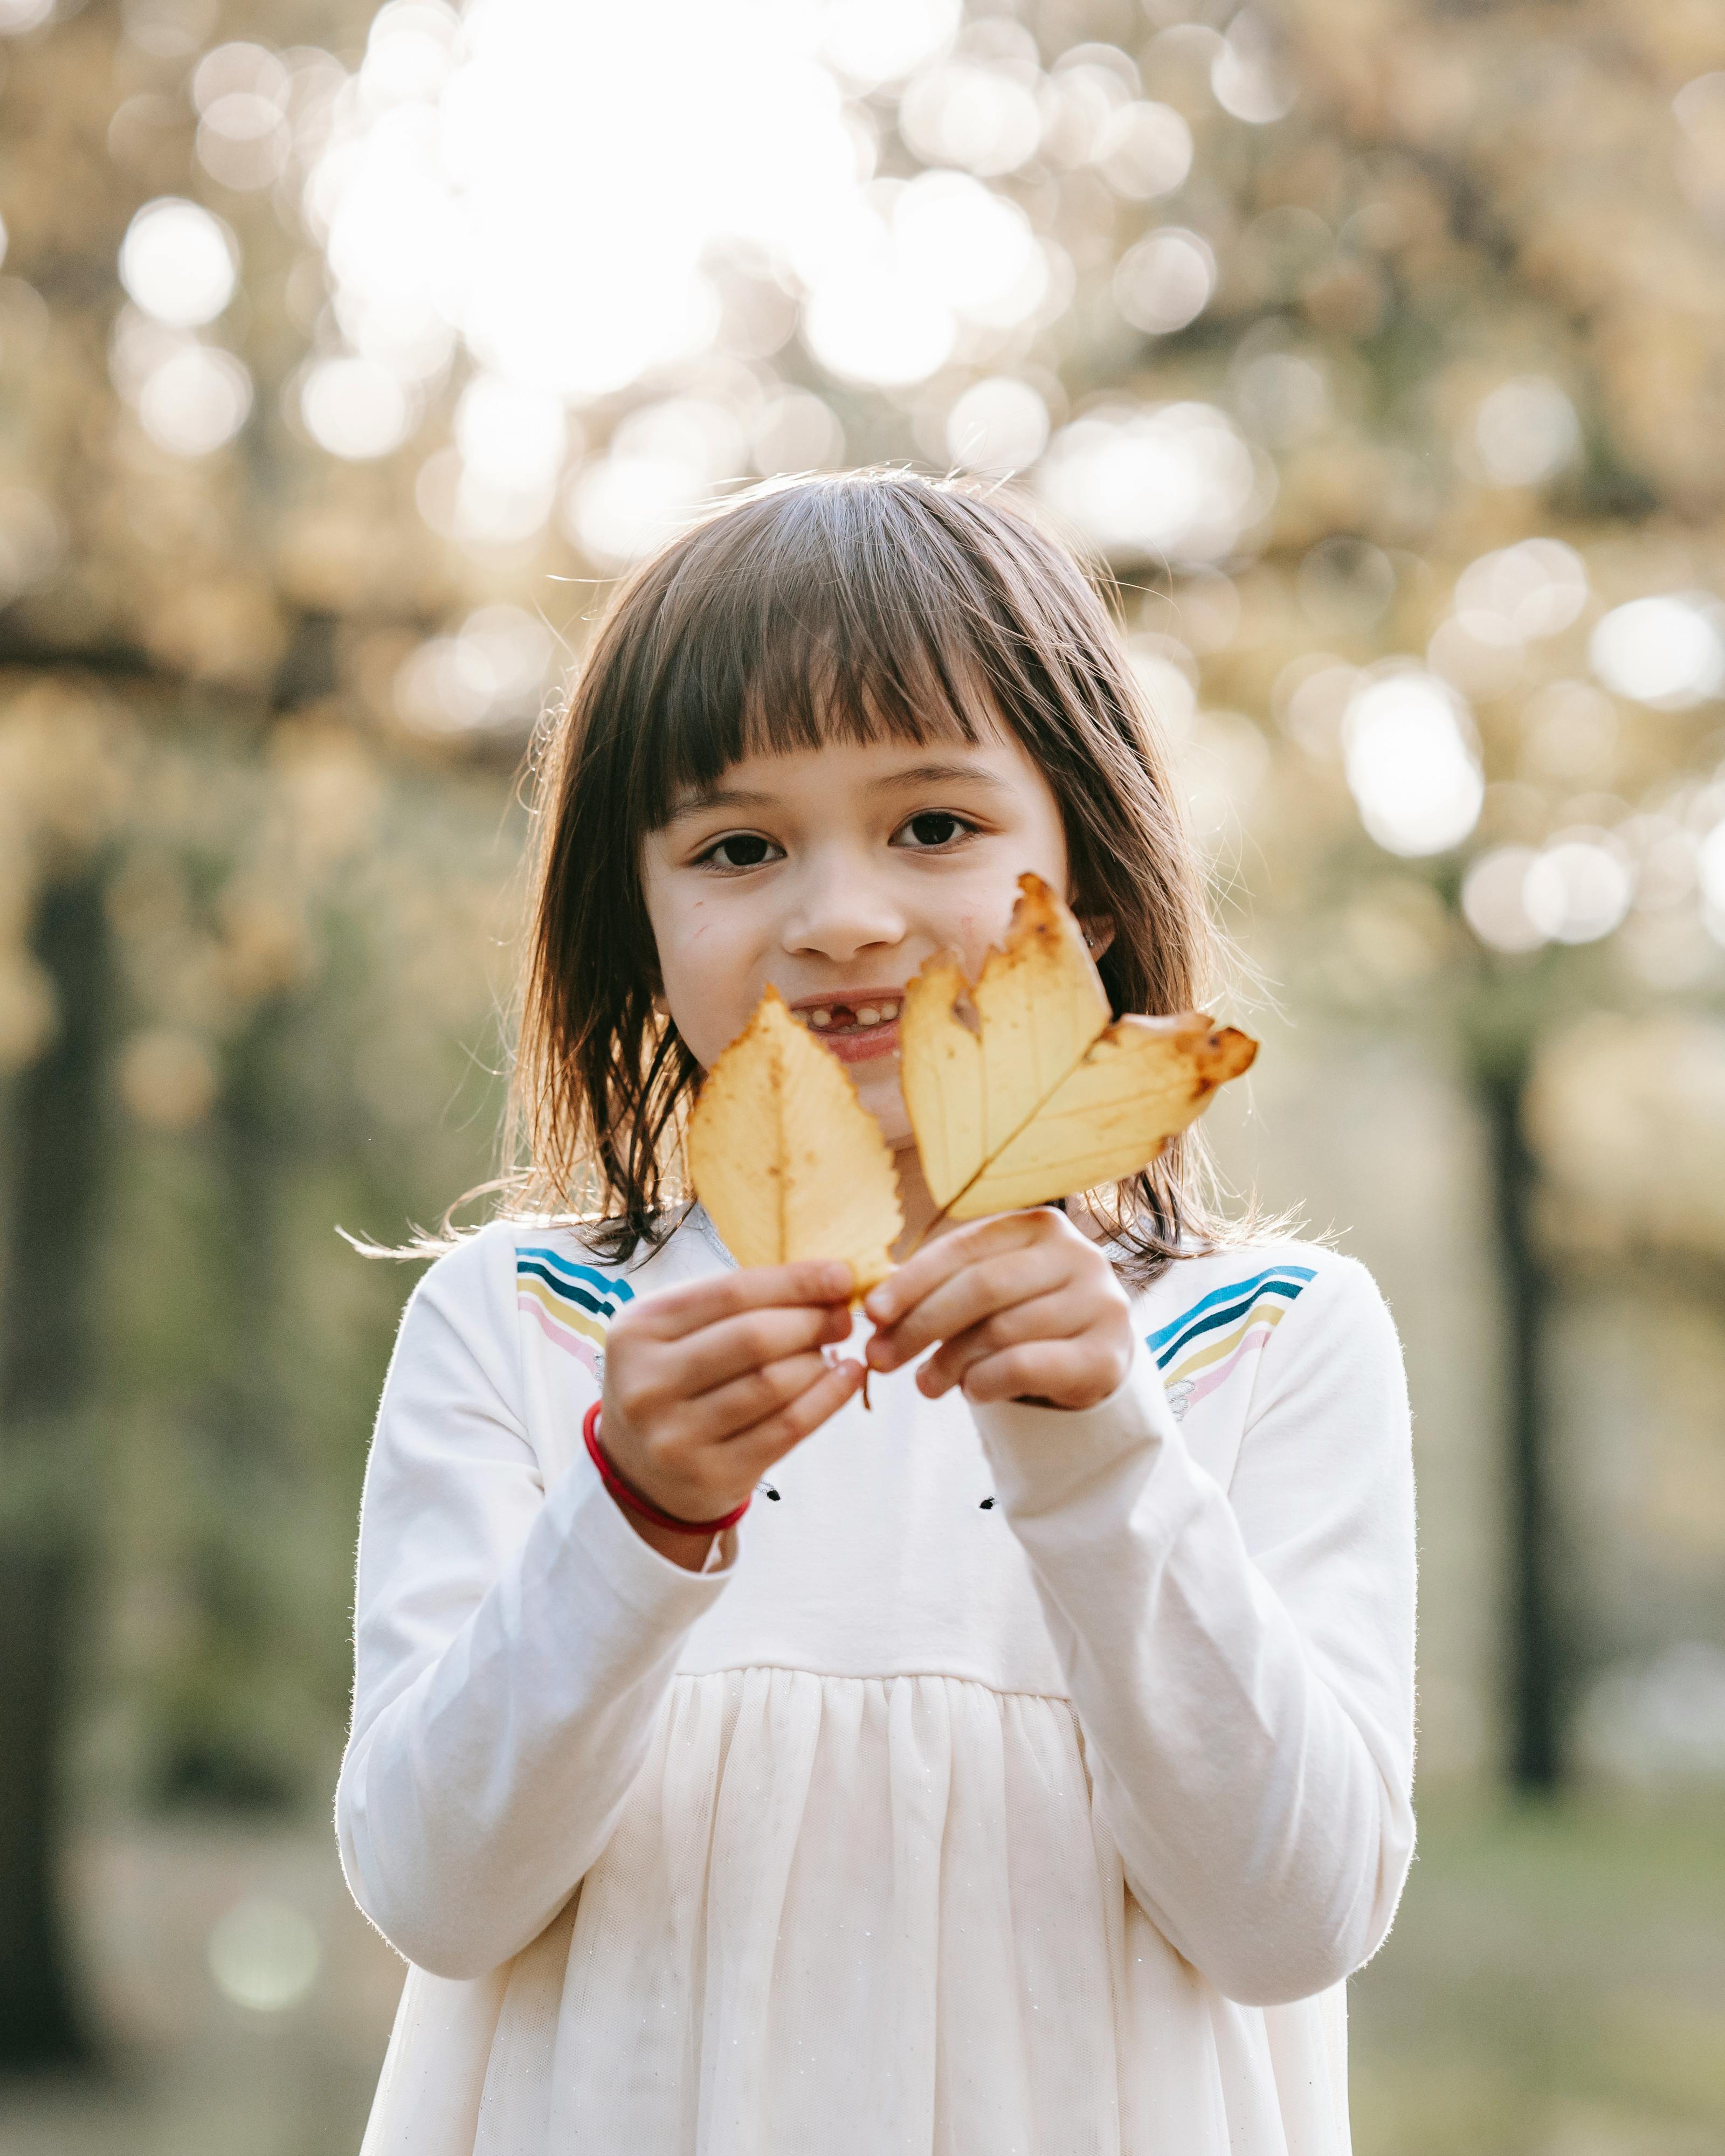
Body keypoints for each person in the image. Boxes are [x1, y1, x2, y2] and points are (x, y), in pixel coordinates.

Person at [337, 473, 1417, 2154]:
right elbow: (434, 1896)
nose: (838, 912)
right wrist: (631, 1521)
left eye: (934, 825)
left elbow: (1296, 1923)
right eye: (738, 845)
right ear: (641, 914)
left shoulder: (1259, 1344)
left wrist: (1111, 1471)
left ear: (1094, 887)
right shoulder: (533, 1332)